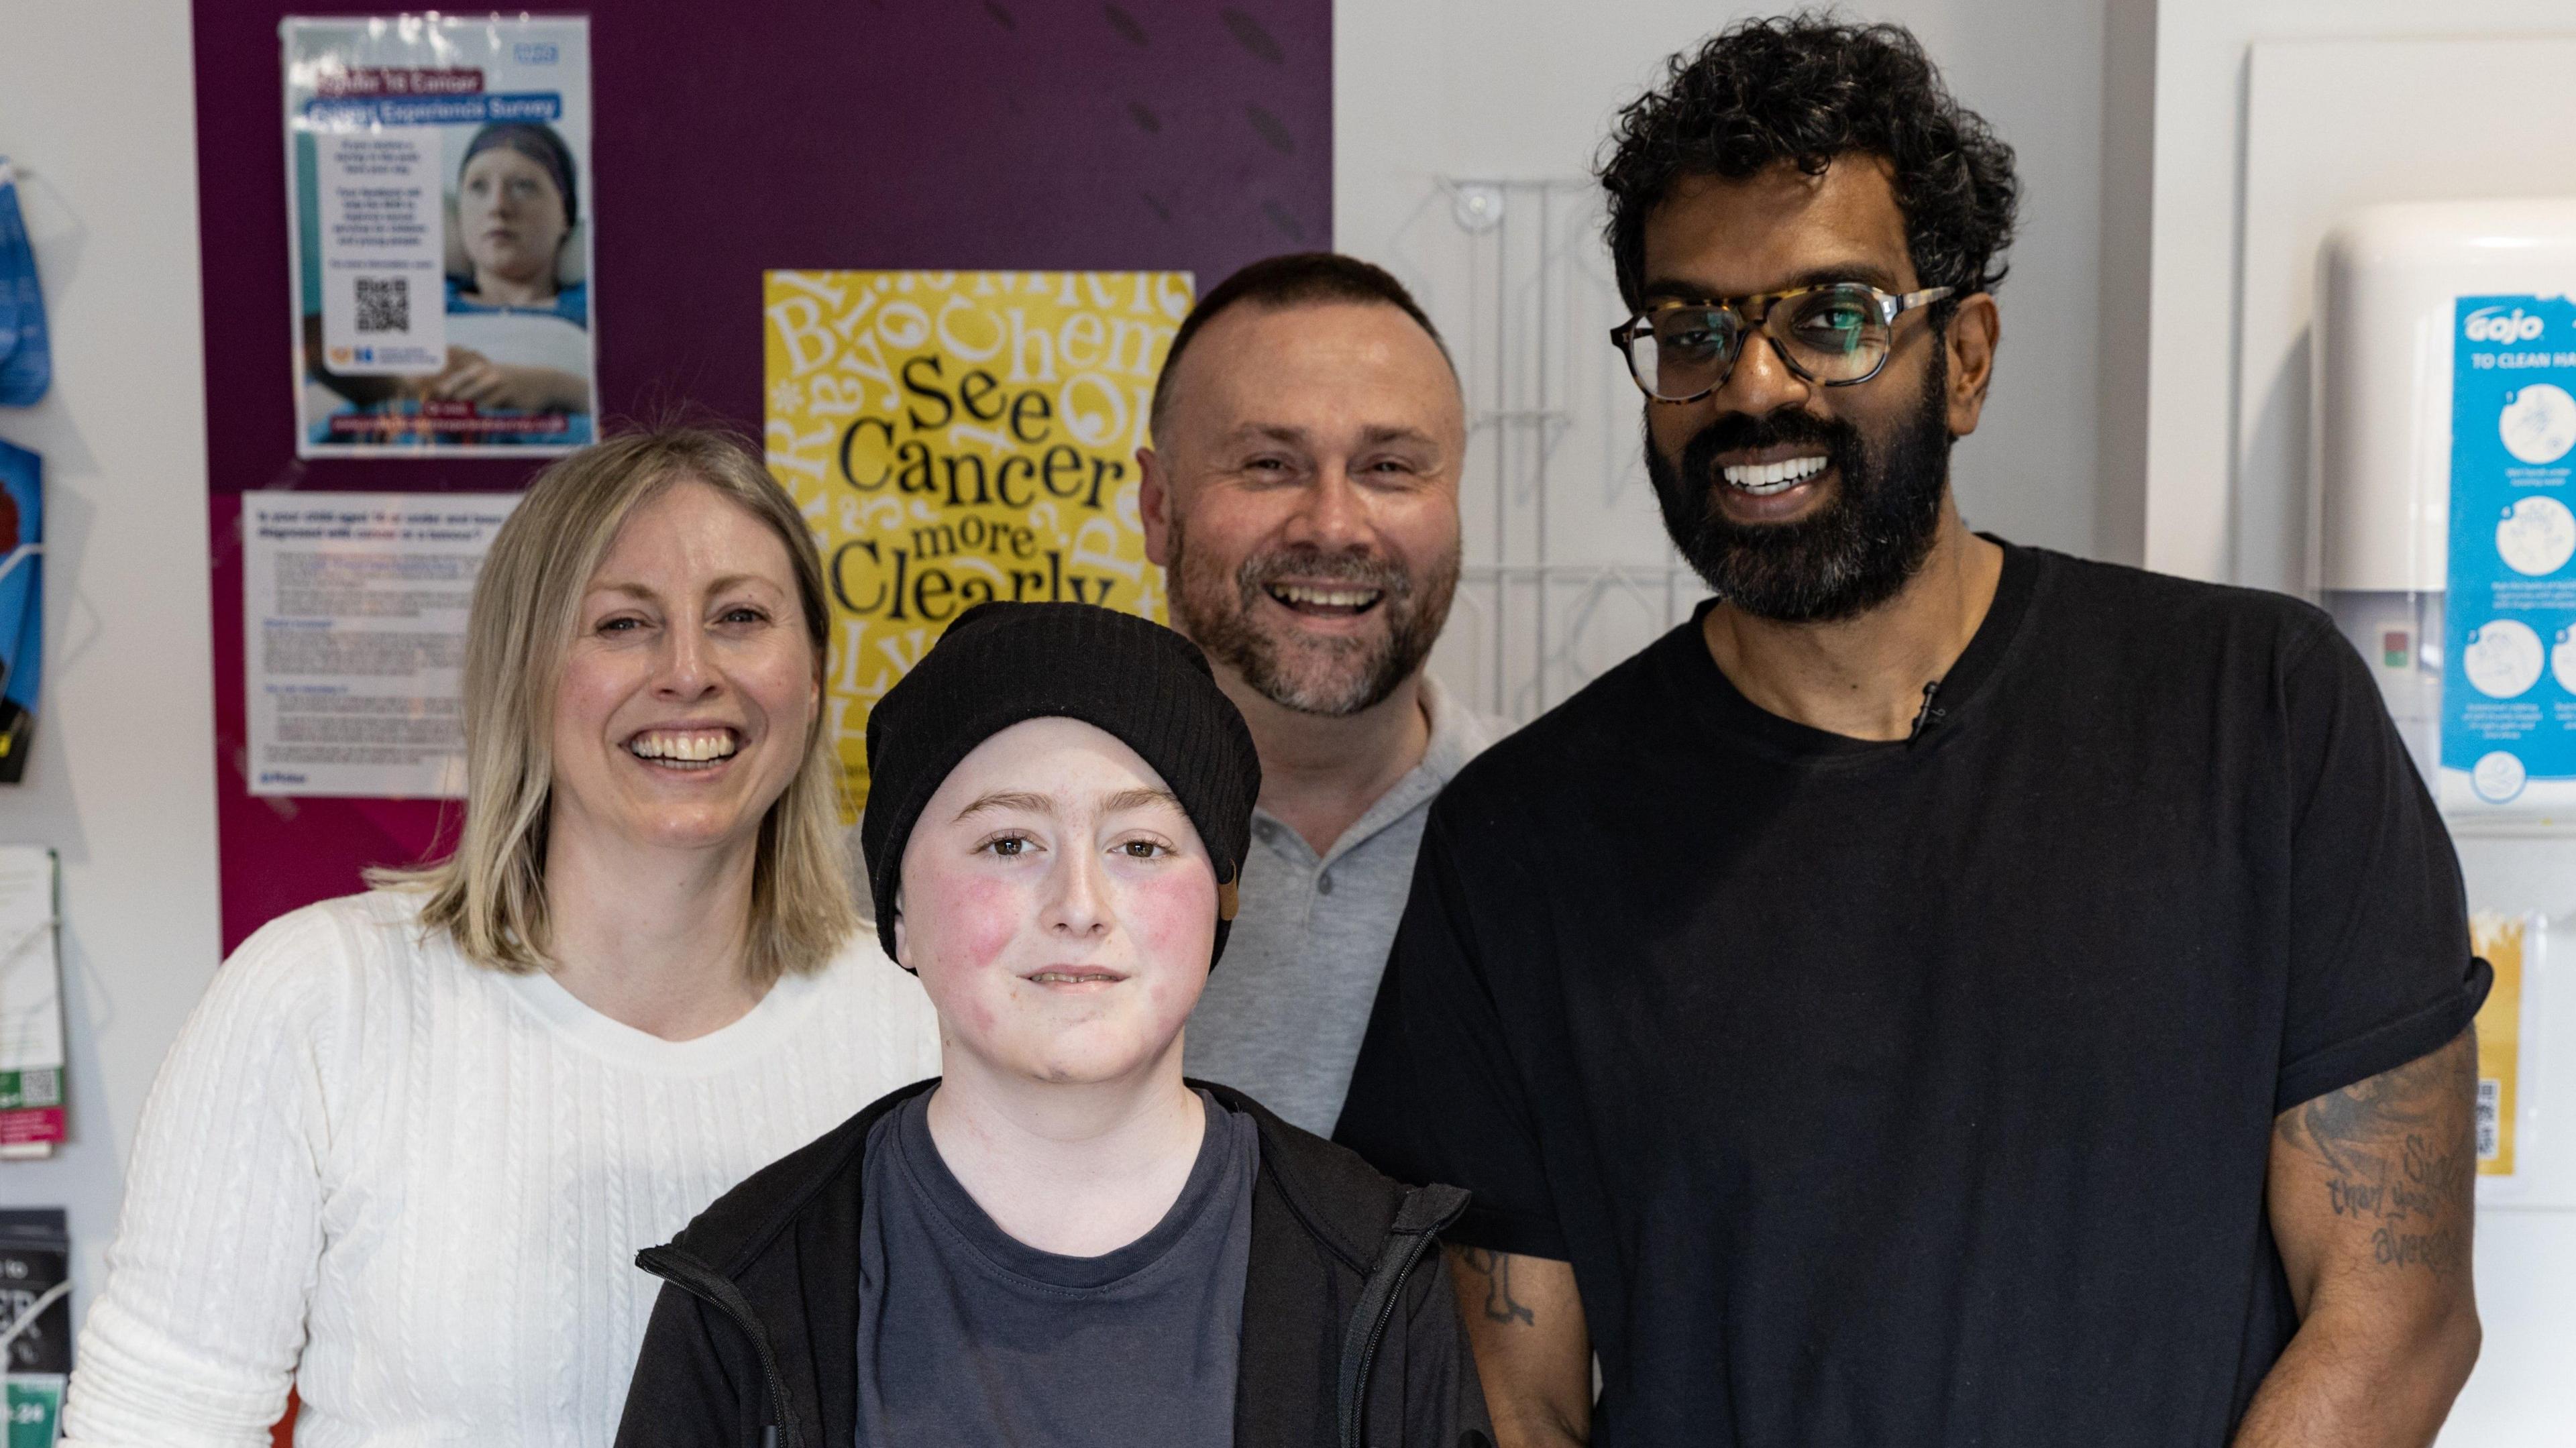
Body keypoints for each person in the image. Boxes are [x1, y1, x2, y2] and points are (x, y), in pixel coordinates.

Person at [1334, 17, 2487, 1448]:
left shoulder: (2258, 713)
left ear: (1965, 356)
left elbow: (2396, 1314)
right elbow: (1514, 1401)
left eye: (1833, 317)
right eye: (1692, 330)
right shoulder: (1524, 843)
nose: (1753, 385)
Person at [61, 428, 943, 1445]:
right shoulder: (320, 998)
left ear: (816, 675)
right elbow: (154, 1425)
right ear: (523, 670)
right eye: (622, 622)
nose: (690, 671)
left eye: (741, 616)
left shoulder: (920, 1030)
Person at [614, 602, 1491, 1447]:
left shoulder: (1373, 1267)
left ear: (1220, 901)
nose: (1080, 904)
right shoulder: (747, 1283)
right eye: (1008, 843)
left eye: (1141, 846)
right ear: (900, 913)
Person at [1138, 253, 1491, 1135]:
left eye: (1390, 467)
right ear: (1156, 506)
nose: (1333, 524)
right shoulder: (981, 869)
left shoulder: (1568, 842)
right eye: (1268, 463)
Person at [433, 121, 592, 422]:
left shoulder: (596, 313)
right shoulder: (420, 307)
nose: (498, 206)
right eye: (478, 187)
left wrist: (553, 388)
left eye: (523, 186)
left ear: (565, 215)